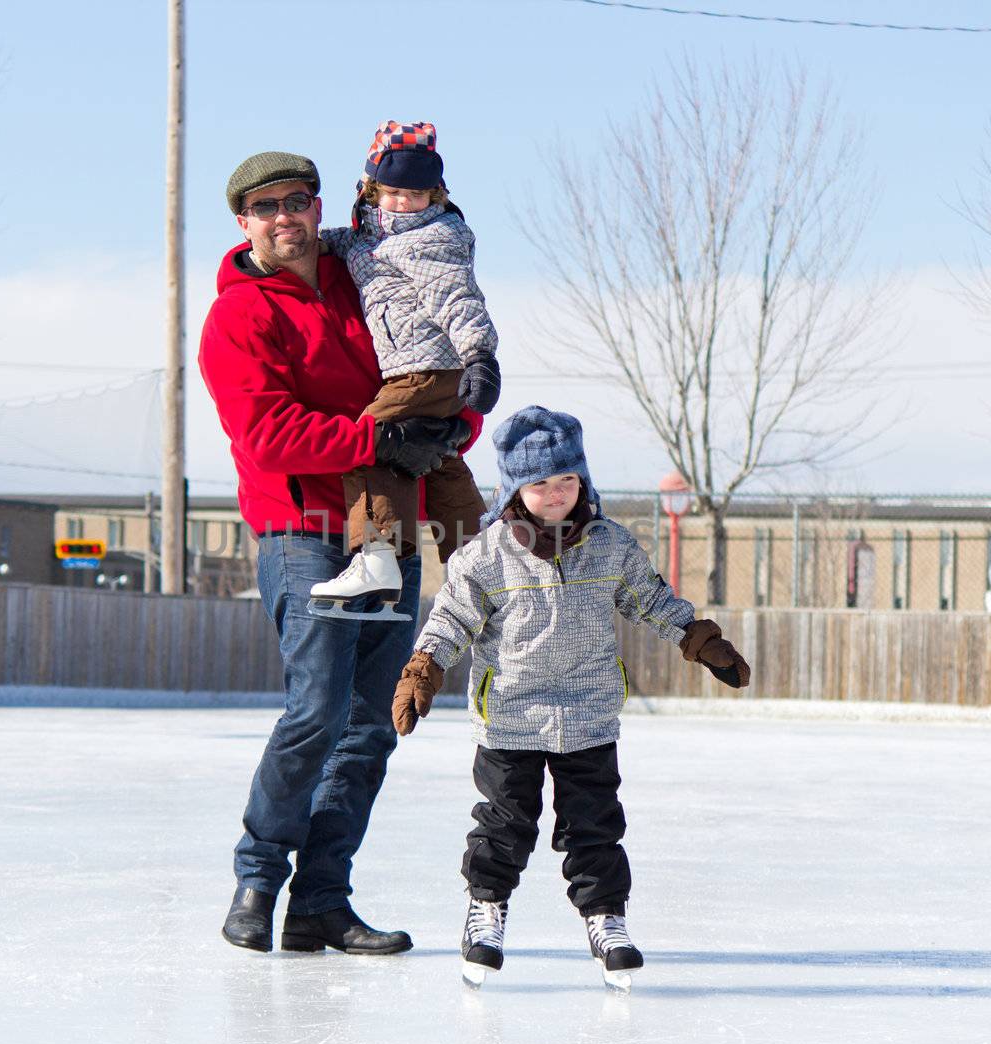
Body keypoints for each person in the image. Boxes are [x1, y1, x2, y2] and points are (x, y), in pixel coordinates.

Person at [198, 150, 475, 955]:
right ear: (243, 222)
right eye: (267, 206)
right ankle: (257, 877)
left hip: (387, 530)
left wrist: (445, 427)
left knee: (367, 726)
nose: (286, 217)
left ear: (322, 206)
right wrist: (376, 435)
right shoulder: (240, 317)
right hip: (305, 536)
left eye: (299, 201)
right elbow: (269, 433)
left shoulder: (367, 277)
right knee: (316, 708)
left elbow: (430, 365)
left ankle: (322, 897)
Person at [388, 406, 752, 989]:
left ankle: (607, 918)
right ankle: (486, 911)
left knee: (595, 826)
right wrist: (423, 669)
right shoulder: (484, 555)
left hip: (587, 715)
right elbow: (451, 618)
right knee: (505, 823)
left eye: (566, 480)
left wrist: (699, 640)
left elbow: (652, 600)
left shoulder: (610, 546)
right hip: (510, 717)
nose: (555, 494)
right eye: (540, 483)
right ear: (514, 487)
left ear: (583, 480)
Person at [307, 120, 501, 617]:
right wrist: (312, 243)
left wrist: (480, 354)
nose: (402, 204)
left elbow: (458, 298)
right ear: (372, 190)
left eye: (415, 195)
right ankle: (479, 559)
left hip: (428, 367)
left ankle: (377, 556)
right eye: (392, 193)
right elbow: (349, 244)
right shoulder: (371, 236)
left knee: (367, 441)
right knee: (439, 460)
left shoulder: (434, 238)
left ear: (434, 195)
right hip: (417, 370)